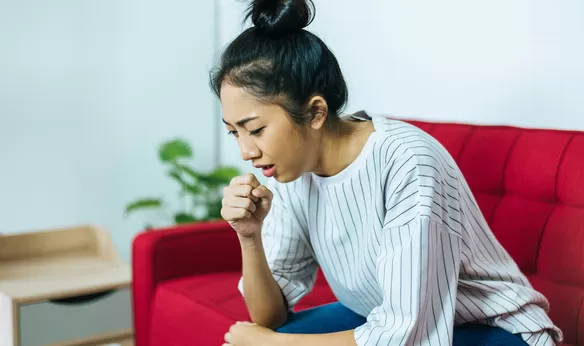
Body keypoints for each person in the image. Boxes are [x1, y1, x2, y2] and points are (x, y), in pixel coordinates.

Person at [211, 0, 564, 345]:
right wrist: (249, 235)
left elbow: (406, 333)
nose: (246, 152)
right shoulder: (289, 168)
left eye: (255, 129)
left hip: (491, 328)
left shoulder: (407, 161)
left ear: (316, 113)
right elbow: (268, 317)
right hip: (383, 316)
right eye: (234, 132)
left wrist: (274, 345)